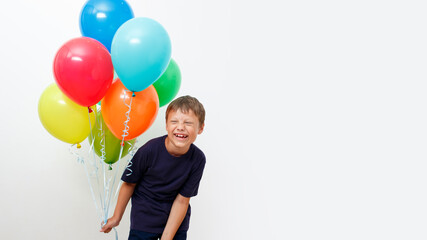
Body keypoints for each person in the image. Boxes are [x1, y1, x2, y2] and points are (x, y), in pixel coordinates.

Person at [100, 95, 206, 240]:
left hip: (176, 224)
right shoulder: (149, 150)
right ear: (167, 125)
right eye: (174, 121)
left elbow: (182, 200)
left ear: (200, 128)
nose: (180, 127)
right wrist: (116, 217)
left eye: (188, 123)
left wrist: (167, 237)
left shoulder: (198, 159)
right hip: (145, 222)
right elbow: (129, 183)